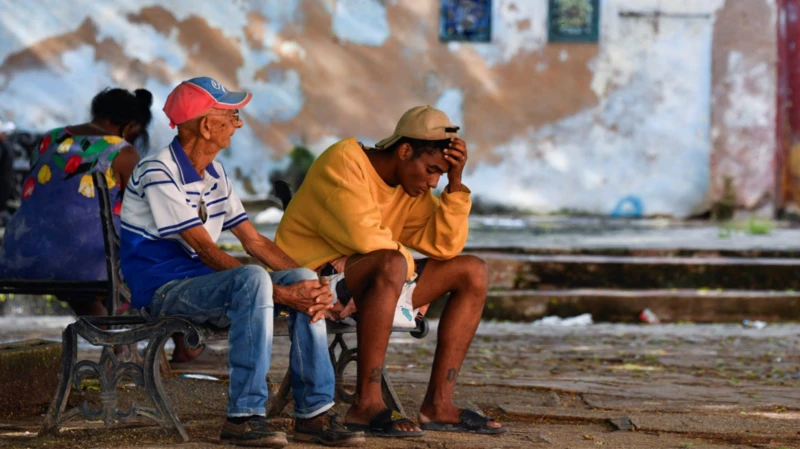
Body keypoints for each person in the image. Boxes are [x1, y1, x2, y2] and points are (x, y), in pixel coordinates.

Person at [120, 77, 365, 448]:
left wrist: (312, 285)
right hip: (164, 292)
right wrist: (282, 293)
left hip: (206, 287)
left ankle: (314, 413)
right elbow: (204, 249)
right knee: (254, 279)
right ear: (206, 125)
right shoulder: (159, 170)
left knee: (301, 277)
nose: (239, 123)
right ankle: (244, 416)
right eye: (232, 115)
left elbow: (253, 240)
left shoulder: (215, 174)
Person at [275, 106, 507, 437]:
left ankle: (438, 406)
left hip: (373, 282)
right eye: (431, 170)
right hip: (312, 285)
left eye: (440, 175)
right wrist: (401, 273)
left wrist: (455, 186)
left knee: (473, 271)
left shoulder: (412, 188)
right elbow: (367, 238)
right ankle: (367, 405)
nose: (432, 182)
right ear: (404, 150)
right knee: (391, 261)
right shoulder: (344, 161)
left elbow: (445, 247)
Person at [0, 89, 150, 317]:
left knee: (70, 251)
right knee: (166, 256)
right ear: (130, 127)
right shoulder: (123, 152)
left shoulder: (50, 138)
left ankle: (116, 343)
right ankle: (183, 344)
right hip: (85, 264)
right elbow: (143, 211)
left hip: (21, 254)